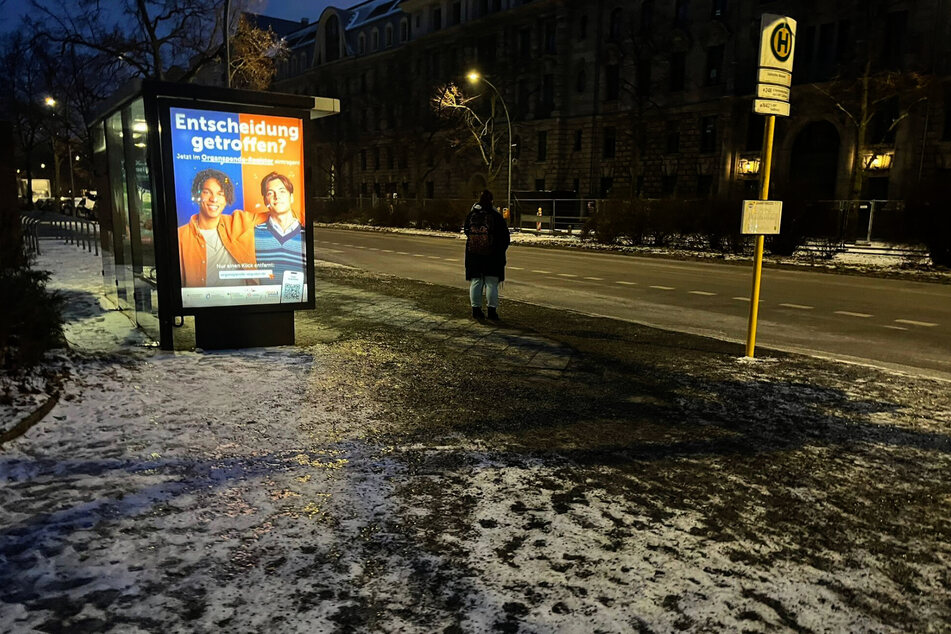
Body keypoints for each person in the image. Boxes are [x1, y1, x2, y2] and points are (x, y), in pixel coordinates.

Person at [177, 169, 262, 288]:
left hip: (243, 302)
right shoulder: (180, 236)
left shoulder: (239, 222)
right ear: (198, 195)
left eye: (220, 194)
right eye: (207, 192)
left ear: (227, 198)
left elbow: (275, 214)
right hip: (200, 304)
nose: (214, 199)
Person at [464, 189, 510, 320]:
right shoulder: (496, 216)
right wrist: (500, 250)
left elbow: (467, 231)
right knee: (491, 283)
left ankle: (476, 310)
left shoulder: (472, 214)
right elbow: (505, 237)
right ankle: (492, 311)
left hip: (474, 254)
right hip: (493, 255)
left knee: (476, 281)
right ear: (491, 200)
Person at [254, 172, 305, 284]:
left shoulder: (305, 235)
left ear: (291, 197)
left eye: (282, 191)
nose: (277, 197)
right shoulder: (253, 234)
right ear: (265, 200)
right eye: (270, 193)